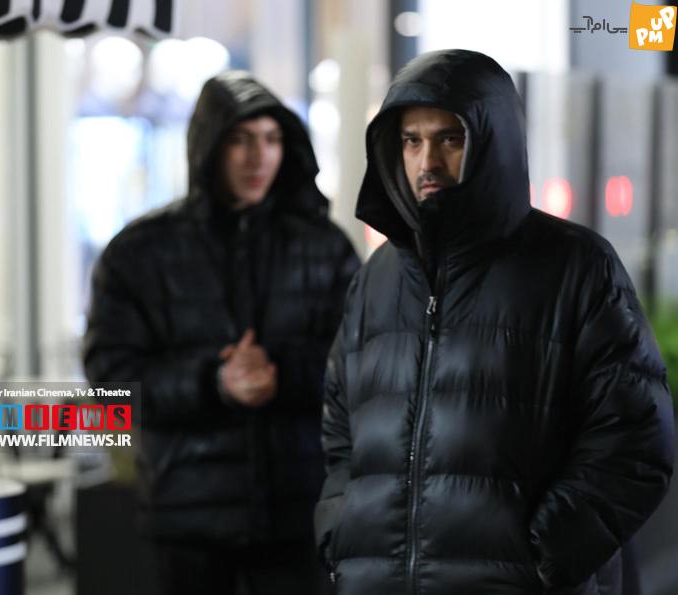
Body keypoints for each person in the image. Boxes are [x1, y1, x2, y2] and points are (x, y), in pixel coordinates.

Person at [314, 49, 674, 595]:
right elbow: (341, 434)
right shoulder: (376, 280)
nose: (427, 161)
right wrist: (342, 533)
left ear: (492, 140)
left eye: (449, 138)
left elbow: (636, 438)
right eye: (411, 141)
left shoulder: (574, 267)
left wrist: (542, 556)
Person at [84, 70, 359, 595]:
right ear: (207, 147)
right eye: (240, 139)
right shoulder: (138, 254)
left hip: (299, 512)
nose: (259, 157)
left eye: (272, 139)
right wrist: (213, 382)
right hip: (188, 519)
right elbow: (111, 383)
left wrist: (282, 374)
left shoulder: (324, 248)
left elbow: (363, 361)